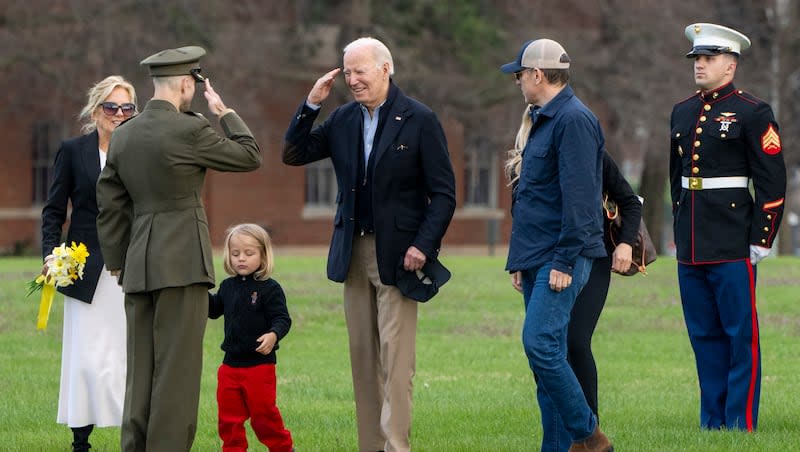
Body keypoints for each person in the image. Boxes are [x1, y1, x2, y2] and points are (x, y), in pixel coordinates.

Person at [282, 37, 456, 452]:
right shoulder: (342, 118)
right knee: (363, 360)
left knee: (396, 362)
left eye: (360, 71)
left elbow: (445, 194)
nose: (353, 80)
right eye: (348, 72)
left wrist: (423, 246)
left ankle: (396, 445)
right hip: (352, 254)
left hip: (399, 256)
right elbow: (293, 152)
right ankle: (370, 446)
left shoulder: (419, 118)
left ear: (385, 69)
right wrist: (311, 104)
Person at [96, 46, 262, 451]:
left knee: (141, 371)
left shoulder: (124, 134)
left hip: (138, 266)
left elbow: (110, 202)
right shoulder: (190, 129)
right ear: (187, 84)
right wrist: (225, 113)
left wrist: (118, 260)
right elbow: (249, 155)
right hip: (183, 265)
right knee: (177, 373)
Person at [670, 23, 786, 431]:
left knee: (739, 337)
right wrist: (679, 230)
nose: (699, 65)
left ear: (730, 65)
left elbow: (772, 180)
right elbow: (677, 180)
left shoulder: (754, 112)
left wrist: (762, 237)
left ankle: (740, 423)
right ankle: (712, 422)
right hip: (692, 242)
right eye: (697, 58)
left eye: (709, 58)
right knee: (703, 337)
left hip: (735, 239)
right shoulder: (682, 111)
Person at [501, 39, 612, 452]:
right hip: (536, 255)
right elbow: (530, 197)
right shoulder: (541, 119)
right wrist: (519, 259)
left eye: (520, 74)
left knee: (541, 345)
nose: (517, 82)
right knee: (543, 363)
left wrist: (564, 260)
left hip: (561, 257)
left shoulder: (573, 120)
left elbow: (581, 199)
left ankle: (589, 435)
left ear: (537, 75)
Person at [41, 75, 136, 452]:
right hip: (81, 266)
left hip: (128, 265)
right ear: (96, 111)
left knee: (123, 354)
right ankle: (81, 439)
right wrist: (51, 254)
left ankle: (134, 431)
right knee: (83, 357)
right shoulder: (72, 150)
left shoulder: (139, 150)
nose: (119, 114)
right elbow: (52, 211)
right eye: (111, 107)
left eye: (127, 108)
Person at [208, 224, 293, 452]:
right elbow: (214, 309)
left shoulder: (270, 288)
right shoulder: (227, 287)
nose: (241, 259)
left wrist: (273, 335)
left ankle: (283, 448)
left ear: (263, 255)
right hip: (229, 367)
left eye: (249, 253)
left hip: (259, 367)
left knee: (263, 417)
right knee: (229, 420)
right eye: (235, 254)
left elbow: (282, 319)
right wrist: (198, 291)